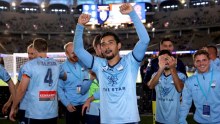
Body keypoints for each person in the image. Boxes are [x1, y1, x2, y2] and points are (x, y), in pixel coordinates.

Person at [74, 3, 150, 123]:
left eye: (110, 43)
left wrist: (132, 14)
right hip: (107, 121)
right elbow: (78, 50)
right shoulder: (99, 65)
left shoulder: (131, 61)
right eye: (103, 44)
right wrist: (80, 26)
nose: (106, 47)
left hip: (129, 120)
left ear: (119, 45)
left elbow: (145, 40)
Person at [9, 38, 66, 124]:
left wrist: (13, 107)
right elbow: (65, 77)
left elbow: (21, 90)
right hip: (52, 113)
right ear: (47, 49)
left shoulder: (29, 65)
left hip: (35, 113)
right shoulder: (57, 64)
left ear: (35, 49)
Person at [179, 50, 220, 124]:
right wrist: (181, 120)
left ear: (209, 61)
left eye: (204, 60)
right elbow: (185, 103)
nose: (201, 63)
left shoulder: (218, 76)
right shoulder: (190, 81)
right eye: (198, 61)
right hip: (200, 121)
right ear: (194, 63)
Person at [2, 43, 38, 124]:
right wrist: (10, 102)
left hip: (38, 107)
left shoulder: (44, 68)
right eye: (28, 53)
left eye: (32, 53)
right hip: (24, 106)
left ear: (37, 53)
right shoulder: (24, 67)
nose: (29, 56)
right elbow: (17, 87)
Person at [148, 50, 186, 123]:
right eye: (162, 60)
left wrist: (172, 68)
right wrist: (161, 69)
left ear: (172, 59)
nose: (165, 62)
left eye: (167, 59)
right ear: (158, 62)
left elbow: (179, 89)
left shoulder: (181, 75)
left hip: (175, 119)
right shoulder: (155, 75)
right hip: (159, 119)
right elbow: (150, 86)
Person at [58, 42, 91, 124]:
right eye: (72, 53)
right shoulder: (61, 68)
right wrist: (67, 104)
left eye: (76, 52)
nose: (75, 55)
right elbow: (59, 89)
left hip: (85, 104)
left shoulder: (84, 64)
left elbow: (88, 82)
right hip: (71, 106)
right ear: (66, 54)